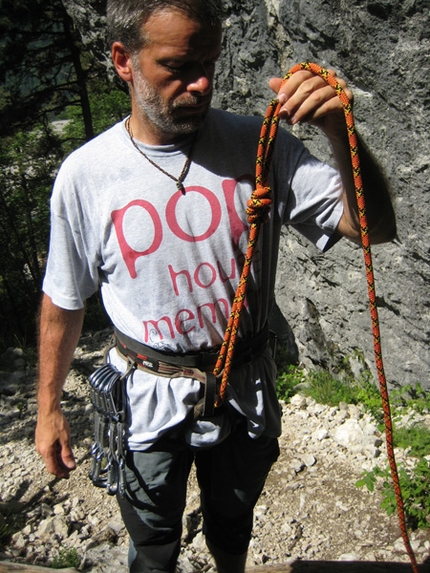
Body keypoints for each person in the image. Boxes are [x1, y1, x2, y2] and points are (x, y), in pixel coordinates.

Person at [35, 1, 396, 571]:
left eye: (209, 62)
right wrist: (48, 407)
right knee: (152, 537)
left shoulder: (261, 144)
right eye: (178, 66)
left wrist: (337, 128)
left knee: (233, 522)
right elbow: (64, 299)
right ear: (123, 60)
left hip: (244, 387)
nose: (201, 83)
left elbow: (374, 229)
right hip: (146, 395)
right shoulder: (87, 175)